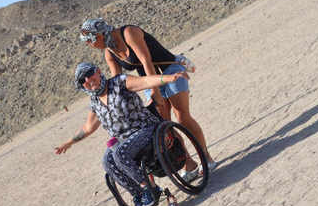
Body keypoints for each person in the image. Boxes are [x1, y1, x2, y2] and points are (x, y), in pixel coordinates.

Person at [78, 18, 217, 177]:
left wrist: (155, 90)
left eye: (90, 41)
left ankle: (207, 158)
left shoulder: (128, 33)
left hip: (170, 70)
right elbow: (118, 84)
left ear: (99, 35)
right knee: (165, 126)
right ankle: (188, 164)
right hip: (150, 81)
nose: (90, 45)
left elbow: (146, 61)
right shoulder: (109, 53)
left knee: (183, 117)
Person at [55, 62, 190, 206]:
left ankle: (150, 188)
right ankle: (138, 193)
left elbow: (145, 81)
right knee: (107, 161)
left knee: (120, 154)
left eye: (88, 74)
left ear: (98, 71)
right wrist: (68, 143)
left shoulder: (119, 83)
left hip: (145, 129)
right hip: (123, 139)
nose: (87, 80)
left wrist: (169, 78)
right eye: (82, 80)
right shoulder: (95, 102)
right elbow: (88, 127)